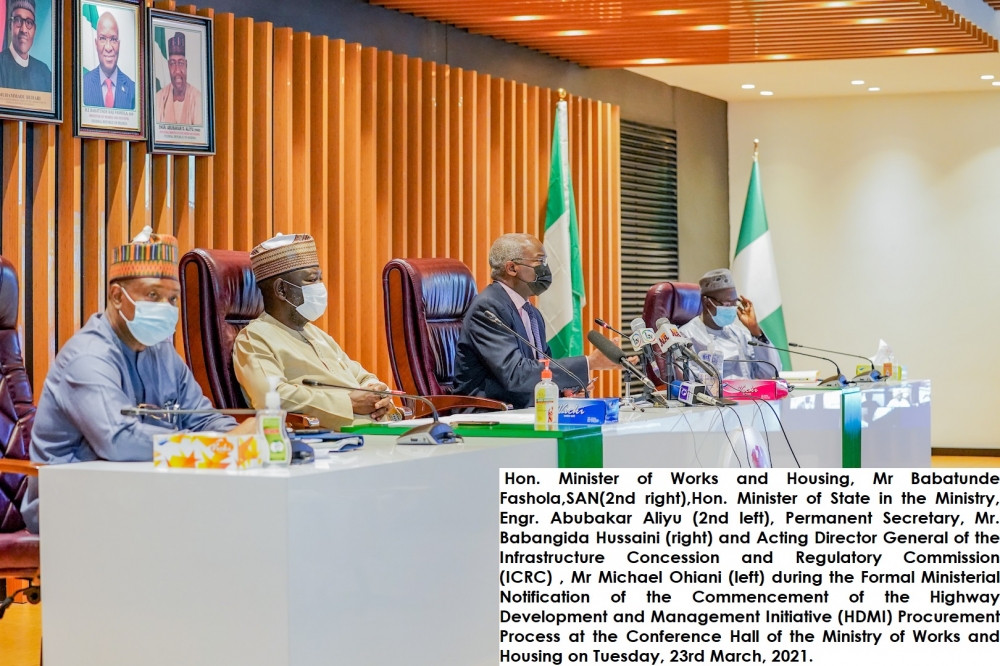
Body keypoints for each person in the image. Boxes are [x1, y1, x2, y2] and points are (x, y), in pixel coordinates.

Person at [20, 228, 256, 534]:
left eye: (173, 299)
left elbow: (199, 419)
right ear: (118, 296)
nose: (166, 308)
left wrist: (243, 439)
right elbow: (118, 441)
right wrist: (220, 447)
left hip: (140, 491)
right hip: (70, 502)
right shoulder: (87, 357)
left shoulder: (161, 352)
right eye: (153, 295)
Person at [233, 233, 397, 431]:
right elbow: (271, 396)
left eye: (320, 279)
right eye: (312, 280)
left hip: (380, 433)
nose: (321, 287)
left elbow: (361, 376)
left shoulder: (316, 334)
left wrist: (378, 393)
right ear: (281, 290)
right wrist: (349, 403)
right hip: (335, 444)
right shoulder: (254, 338)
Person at [454, 233, 622, 409]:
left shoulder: (532, 313)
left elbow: (542, 368)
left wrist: (564, 389)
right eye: (540, 262)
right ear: (512, 268)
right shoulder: (488, 308)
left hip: (525, 410)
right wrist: (589, 363)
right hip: (488, 414)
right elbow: (516, 374)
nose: (546, 270)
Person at [678, 268, 782, 380]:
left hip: (750, 395)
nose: (732, 308)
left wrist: (755, 330)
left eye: (734, 303)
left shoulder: (739, 334)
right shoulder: (686, 336)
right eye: (727, 304)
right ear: (707, 302)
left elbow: (771, 372)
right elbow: (689, 381)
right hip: (716, 397)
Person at [82, 11, 136, 109]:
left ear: (119, 44)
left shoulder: (133, 90)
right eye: (102, 38)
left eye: (113, 39)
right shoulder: (82, 85)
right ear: (96, 43)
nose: (108, 47)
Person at [0, 0, 52, 92]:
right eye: (18, 21)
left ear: (34, 30)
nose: (24, 30)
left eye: (29, 23)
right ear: (10, 25)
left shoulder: (44, 72)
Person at [153, 31, 202, 125]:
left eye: (180, 63)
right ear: (168, 66)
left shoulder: (197, 99)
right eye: (172, 63)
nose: (177, 70)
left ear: (186, 65)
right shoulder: (159, 98)